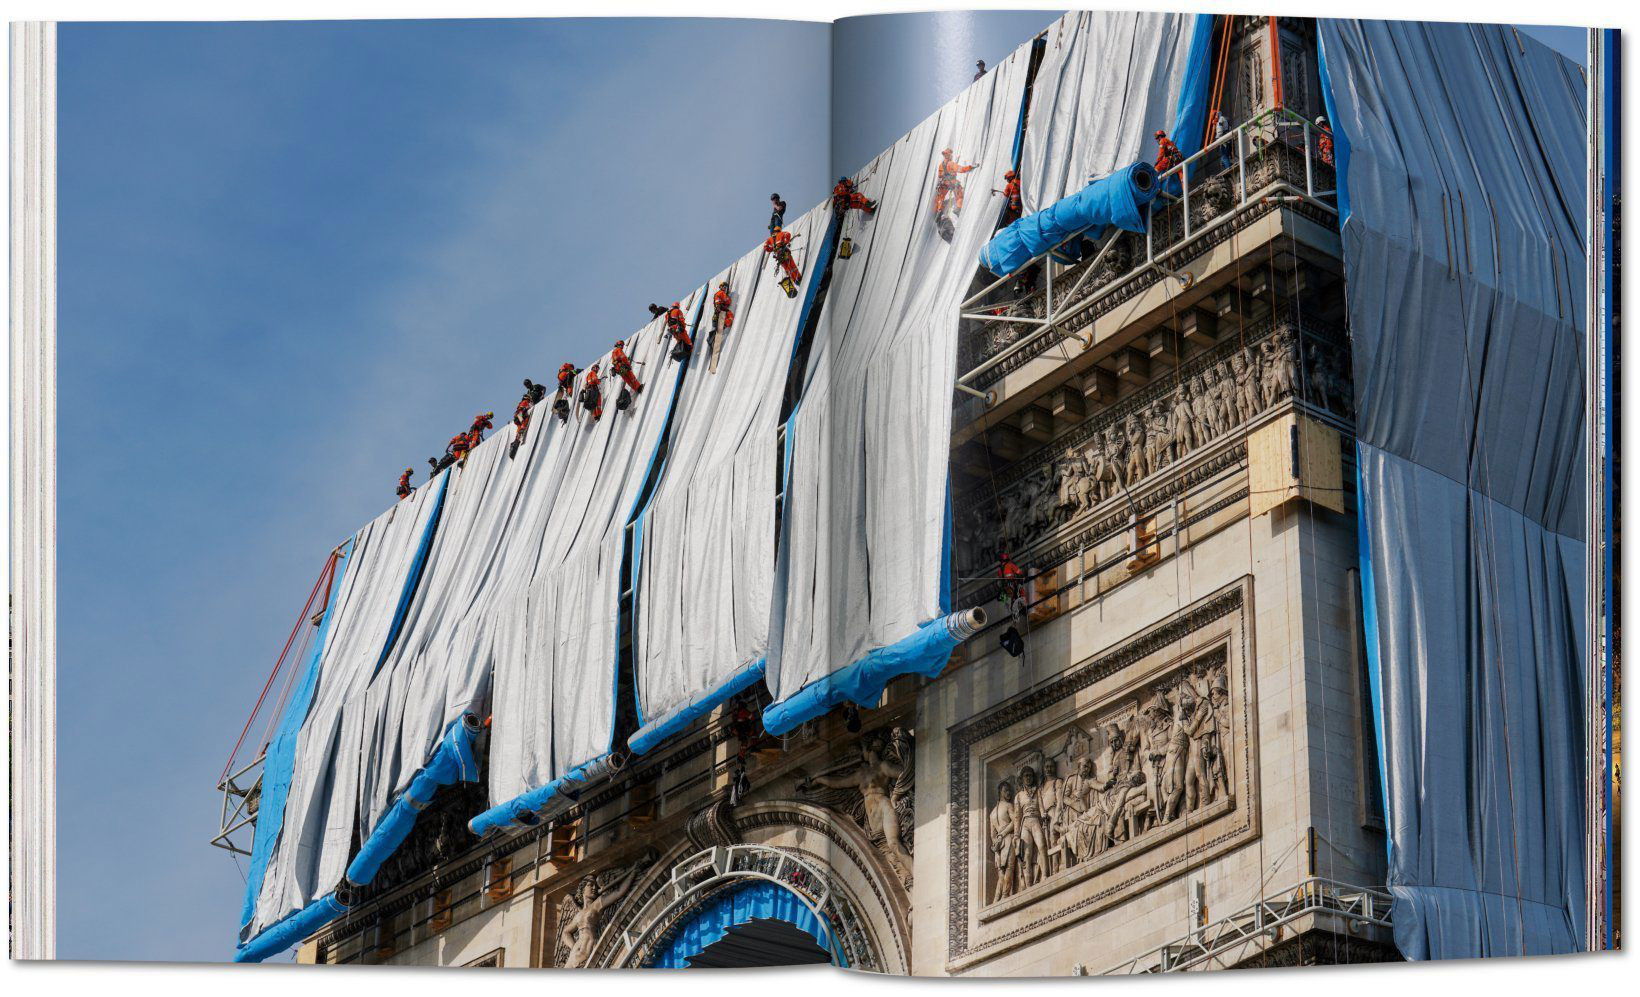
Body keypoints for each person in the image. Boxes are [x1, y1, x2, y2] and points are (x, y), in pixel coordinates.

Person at [934, 147, 977, 215]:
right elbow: (962, 169)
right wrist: (971, 167)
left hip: (944, 184)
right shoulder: (951, 164)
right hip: (953, 183)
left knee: (941, 197)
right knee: (960, 195)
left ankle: (939, 210)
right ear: (949, 155)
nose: (951, 156)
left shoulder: (941, 165)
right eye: (951, 155)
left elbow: (940, 175)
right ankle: (958, 209)